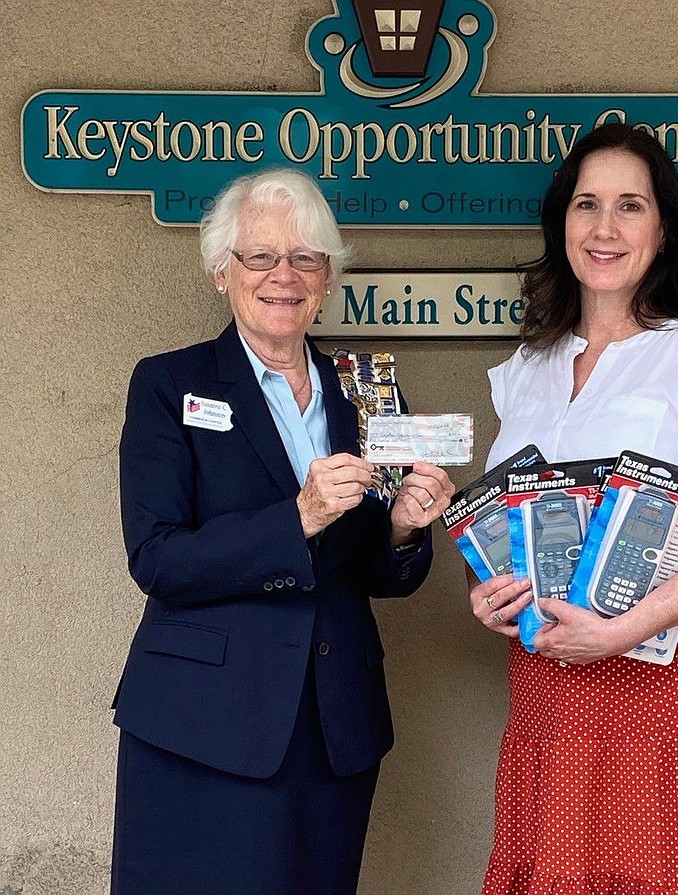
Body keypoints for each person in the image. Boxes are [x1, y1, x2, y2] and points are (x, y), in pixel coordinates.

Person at [110, 167, 455, 895]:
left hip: (332, 726)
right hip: (202, 726)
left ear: (327, 277)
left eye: (305, 257)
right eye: (260, 256)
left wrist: (400, 529)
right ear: (221, 272)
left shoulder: (364, 391)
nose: (283, 276)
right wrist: (295, 519)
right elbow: (158, 556)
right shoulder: (170, 385)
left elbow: (379, 574)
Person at [469, 123, 678, 894]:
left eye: (630, 206)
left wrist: (621, 630)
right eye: (586, 205)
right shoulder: (528, 369)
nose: (604, 228)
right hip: (554, 688)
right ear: (562, 224)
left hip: (673, 680)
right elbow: (510, 526)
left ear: (664, 227)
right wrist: (490, 596)